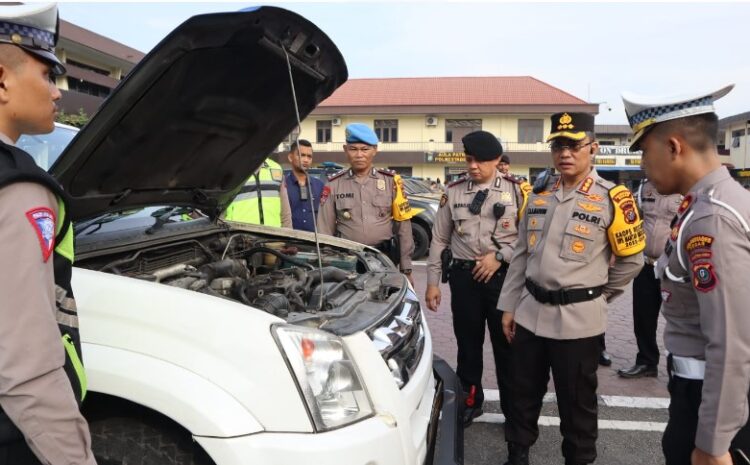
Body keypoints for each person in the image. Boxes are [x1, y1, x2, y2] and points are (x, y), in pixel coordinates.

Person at [498, 112, 644, 465]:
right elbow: (520, 255)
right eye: (558, 145)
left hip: (578, 322)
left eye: (574, 145)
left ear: (592, 148)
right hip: (531, 313)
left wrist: (596, 296)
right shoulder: (538, 195)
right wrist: (509, 305)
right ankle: (517, 456)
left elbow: (632, 260)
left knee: (577, 403)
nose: (565, 153)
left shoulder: (614, 197)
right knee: (522, 395)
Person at [622, 85, 750, 465]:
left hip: (709, 396)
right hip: (711, 392)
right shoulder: (715, 202)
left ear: (674, 147)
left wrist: (713, 443)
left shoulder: (711, 219)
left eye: (645, 152)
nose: (643, 164)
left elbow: (730, 341)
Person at [0, 3, 96, 464]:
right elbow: (28, 369)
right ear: (2, 80)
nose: (58, 94)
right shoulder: (19, 190)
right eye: (46, 75)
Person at [425, 130, 530, 427]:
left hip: (503, 280)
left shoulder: (518, 190)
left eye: (480, 161)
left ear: (497, 160)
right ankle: (470, 402)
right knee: (468, 345)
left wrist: (500, 257)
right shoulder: (454, 190)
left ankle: (514, 411)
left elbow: (528, 238)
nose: (473, 166)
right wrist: (433, 282)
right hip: (464, 278)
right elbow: (438, 239)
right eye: (469, 159)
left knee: (507, 346)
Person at [317, 123, 416, 285]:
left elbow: (403, 228)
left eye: (364, 149)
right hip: (347, 261)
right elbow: (324, 230)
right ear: (345, 150)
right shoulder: (333, 184)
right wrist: (327, 266)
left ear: (375, 150)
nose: (359, 155)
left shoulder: (391, 182)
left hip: (383, 259)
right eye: (353, 149)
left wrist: (406, 269)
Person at [618, 179, 681, 379]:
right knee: (643, 317)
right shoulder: (645, 188)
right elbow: (636, 219)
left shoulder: (685, 188)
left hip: (675, 268)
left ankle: (679, 368)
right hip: (646, 265)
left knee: (679, 319)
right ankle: (646, 362)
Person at [280, 139, 324, 232]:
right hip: (290, 241)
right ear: (290, 157)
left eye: (309, 156)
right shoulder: (282, 185)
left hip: (315, 242)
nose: (306, 160)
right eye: (302, 155)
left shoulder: (319, 185)